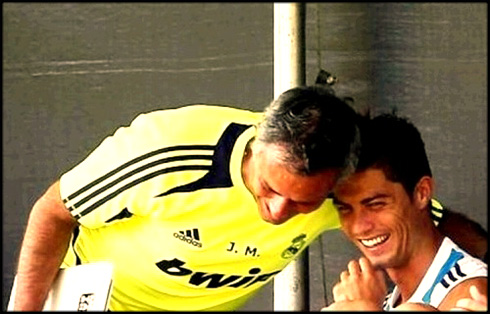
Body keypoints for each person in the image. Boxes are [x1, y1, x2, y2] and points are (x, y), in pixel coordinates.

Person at [11, 84, 363, 311]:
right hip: (95, 299)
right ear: (256, 145)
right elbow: (54, 212)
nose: (277, 211)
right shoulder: (164, 151)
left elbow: (409, 224)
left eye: (304, 203)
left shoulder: (350, 186)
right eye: (269, 187)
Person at [321, 113, 487, 311]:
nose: (359, 226)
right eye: (345, 209)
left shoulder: (469, 294)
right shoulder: (387, 300)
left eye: (375, 204)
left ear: (421, 193)